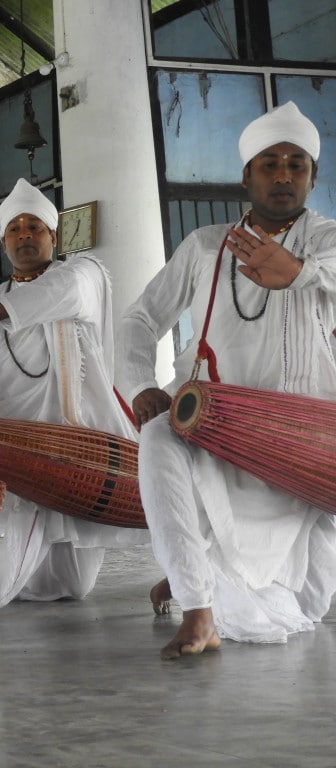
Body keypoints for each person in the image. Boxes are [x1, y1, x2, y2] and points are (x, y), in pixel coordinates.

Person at [116, 101, 336, 659]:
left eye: (297, 164)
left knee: (304, 605)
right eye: (270, 163)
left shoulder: (326, 241)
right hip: (215, 420)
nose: (284, 174)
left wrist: (301, 272)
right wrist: (141, 380)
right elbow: (141, 318)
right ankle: (198, 607)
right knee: (158, 436)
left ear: (312, 177)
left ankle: (197, 571)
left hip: (300, 436)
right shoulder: (206, 247)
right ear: (246, 175)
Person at [0, 178, 145, 607]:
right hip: (12, 442)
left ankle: (4, 582)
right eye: (15, 228)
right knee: (29, 515)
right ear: (3, 240)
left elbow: (65, 292)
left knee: (73, 585)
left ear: (53, 237)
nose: (25, 234)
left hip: (74, 439)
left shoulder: (84, 274)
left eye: (35, 227)